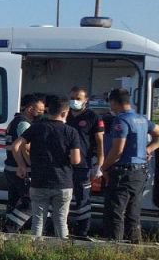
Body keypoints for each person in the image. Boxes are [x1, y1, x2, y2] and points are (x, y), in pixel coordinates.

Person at [12, 95, 82, 238]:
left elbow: (16, 146)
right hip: (63, 182)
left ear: (49, 111)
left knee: (38, 220)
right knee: (61, 221)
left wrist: (21, 165)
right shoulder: (71, 132)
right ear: (65, 113)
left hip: (39, 181)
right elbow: (76, 160)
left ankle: (35, 248)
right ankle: (62, 248)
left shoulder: (37, 127)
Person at [100, 88, 159, 244]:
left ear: (114, 102)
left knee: (115, 212)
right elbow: (158, 134)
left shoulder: (121, 120)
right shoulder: (142, 119)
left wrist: (104, 167)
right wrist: (148, 149)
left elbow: (117, 150)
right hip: (140, 172)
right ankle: (134, 246)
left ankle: (114, 247)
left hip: (123, 173)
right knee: (133, 213)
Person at [65, 86, 105, 237]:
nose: (74, 101)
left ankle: (82, 231)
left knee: (83, 198)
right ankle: (61, 229)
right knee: (63, 197)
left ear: (86, 100)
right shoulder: (65, 114)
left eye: (78, 98)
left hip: (83, 165)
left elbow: (99, 141)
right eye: (72, 98)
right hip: (64, 164)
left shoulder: (93, 117)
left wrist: (99, 163)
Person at [3, 94, 44, 232]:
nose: (42, 113)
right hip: (20, 170)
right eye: (40, 110)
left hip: (10, 167)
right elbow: (25, 147)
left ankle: (10, 233)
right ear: (30, 108)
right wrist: (30, 165)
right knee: (30, 202)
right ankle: (9, 229)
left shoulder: (14, 121)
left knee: (14, 202)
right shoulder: (24, 124)